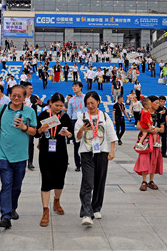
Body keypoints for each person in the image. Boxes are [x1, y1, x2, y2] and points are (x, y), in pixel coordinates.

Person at [0, 85, 38, 229]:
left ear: (25, 97)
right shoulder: (2, 109)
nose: (16, 98)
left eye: (20, 96)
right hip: (4, 155)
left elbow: (34, 131)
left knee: (16, 186)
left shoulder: (29, 111)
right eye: (14, 95)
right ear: (9, 95)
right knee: (6, 185)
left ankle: (12, 207)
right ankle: (5, 216)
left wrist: (24, 127)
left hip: (21, 156)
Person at [74, 91, 117, 226]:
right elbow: (77, 136)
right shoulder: (82, 116)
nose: (90, 105)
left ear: (98, 102)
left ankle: (96, 207)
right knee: (88, 181)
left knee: (100, 180)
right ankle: (86, 213)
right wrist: (82, 128)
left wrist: (112, 150)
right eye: (88, 103)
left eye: (92, 102)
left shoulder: (104, 116)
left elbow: (111, 133)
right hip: (87, 152)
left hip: (102, 152)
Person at [35, 93, 74, 227]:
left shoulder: (65, 117)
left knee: (59, 180)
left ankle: (57, 201)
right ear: (50, 103)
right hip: (45, 153)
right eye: (56, 105)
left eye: (61, 106)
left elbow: (72, 134)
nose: (58, 108)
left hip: (61, 153)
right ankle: (45, 210)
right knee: (46, 180)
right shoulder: (43, 115)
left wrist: (68, 134)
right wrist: (41, 129)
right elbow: (35, 133)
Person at [134, 96, 164, 191]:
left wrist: (157, 129)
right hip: (146, 138)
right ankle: (144, 181)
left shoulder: (159, 115)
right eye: (156, 103)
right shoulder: (143, 113)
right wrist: (147, 130)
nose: (158, 105)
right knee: (144, 159)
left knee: (154, 159)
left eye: (159, 103)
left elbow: (162, 129)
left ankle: (151, 180)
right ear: (150, 103)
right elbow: (138, 125)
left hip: (155, 138)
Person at [67, 81, 87, 172]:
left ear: (80, 87)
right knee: (76, 143)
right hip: (75, 121)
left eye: (76, 86)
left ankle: (85, 162)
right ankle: (77, 164)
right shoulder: (71, 100)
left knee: (86, 141)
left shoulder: (86, 97)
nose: (74, 88)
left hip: (84, 120)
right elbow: (69, 113)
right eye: (73, 86)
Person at [24, 83, 44, 171]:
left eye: (32, 89)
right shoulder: (20, 97)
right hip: (22, 122)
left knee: (30, 143)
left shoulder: (33, 97)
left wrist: (41, 103)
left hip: (31, 123)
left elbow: (42, 104)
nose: (31, 90)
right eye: (30, 89)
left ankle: (30, 162)